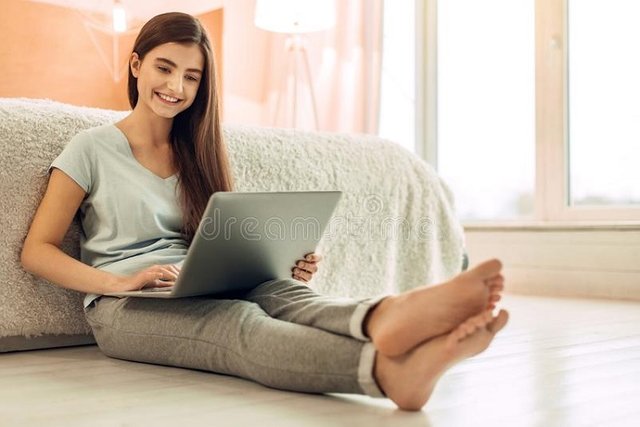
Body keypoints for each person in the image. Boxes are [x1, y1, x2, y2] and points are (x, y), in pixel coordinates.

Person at [20, 12, 509, 411]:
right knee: (238, 324)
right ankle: (387, 369)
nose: (176, 86)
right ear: (135, 65)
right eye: (164, 68)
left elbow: (216, 239)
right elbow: (36, 251)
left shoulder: (200, 152)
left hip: (195, 280)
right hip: (123, 307)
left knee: (285, 292)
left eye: (192, 77)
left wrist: (276, 262)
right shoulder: (90, 148)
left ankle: (385, 314)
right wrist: (118, 282)